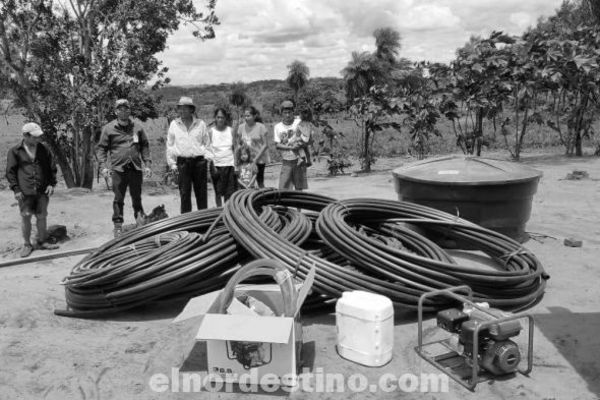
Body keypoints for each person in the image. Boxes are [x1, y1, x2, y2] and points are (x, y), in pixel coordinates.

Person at [97, 99, 152, 237]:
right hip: (118, 169)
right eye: (120, 109)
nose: (123, 111)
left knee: (137, 198)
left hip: (135, 168)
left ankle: (140, 224)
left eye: (126, 108)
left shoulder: (137, 128)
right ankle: (118, 226)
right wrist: (103, 166)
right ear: (115, 111)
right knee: (118, 199)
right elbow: (101, 149)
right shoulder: (108, 128)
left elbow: (144, 146)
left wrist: (147, 164)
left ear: (129, 110)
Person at [5, 122, 59, 257]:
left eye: (38, 137)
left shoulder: (43, 149)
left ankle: (42, 241)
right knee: (26, 216)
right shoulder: (15, 151)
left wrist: (51, 184)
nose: (37, 139)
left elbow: (51, 167)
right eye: (34, 137)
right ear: (25, 136)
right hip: (24, 191)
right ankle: (27, 244)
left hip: (42, 190)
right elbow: (10, 172)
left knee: (42, 216)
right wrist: (16, 189)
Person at [166, 96, 210, 213]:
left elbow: (207, 143)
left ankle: (203, 223)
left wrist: (206, 158)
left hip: (199, 162)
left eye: (185, 108)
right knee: (184, 194)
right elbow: (170, 145)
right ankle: (186, 226)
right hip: (182, 163)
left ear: (191, 110)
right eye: (180, 108)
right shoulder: (174, 124)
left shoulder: (200, 124)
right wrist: (172, 164)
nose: (182, 111)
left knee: (201, 193)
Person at [274, 100, 309, 190]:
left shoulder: (299, 122)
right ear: (281, 113)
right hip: (286, 161)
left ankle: (299, 204)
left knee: (299, 188)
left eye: (289, 112)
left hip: (299, 161)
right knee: (283, 188)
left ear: (293, 112)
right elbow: (277, 145)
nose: (287, 115)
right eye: (285, 113)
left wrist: (300, 144)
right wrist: (291, 147)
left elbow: (307, 138)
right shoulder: (277, 127)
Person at [207, 108, 237, 206]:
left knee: (229, 192)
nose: (220, 119)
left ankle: (227, 213)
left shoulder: (231, 131)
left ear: (225, 118)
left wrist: (236, 164)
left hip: (229, 165)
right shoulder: (211, 132)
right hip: (216, 166)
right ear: (215, 118)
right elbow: (208, 149)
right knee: (218, 192)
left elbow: (235, 148)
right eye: (218, 117)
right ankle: (219, 212)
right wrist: (212, 166)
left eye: (222, 117)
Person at [236, 106, 270, 188]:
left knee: (260, 181)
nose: (246, 118)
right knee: (246, 182)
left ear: (254, 116)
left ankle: (262, 198)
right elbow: (238, 144)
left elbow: (265, 145)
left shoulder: (261, 127)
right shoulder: (241, 127)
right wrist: (239, 158)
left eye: (248, 116)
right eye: (245, 116)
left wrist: (255, 160)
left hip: (259, 160)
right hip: (246, 160)